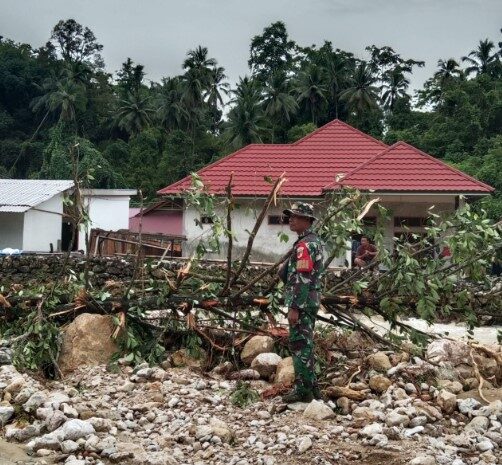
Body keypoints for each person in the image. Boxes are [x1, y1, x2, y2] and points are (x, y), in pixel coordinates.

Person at [279, 202, 324, 403]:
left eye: (296, 216)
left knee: (299, 345)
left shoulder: (305, 245)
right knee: (306, 344)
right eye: (290, 215)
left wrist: (294, 307)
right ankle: (313, 388)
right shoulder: (313, 242)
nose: (291, 219)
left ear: (307, 221)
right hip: (310, 299)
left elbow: (303, 278)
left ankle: (303, 391)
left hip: (302, 301)